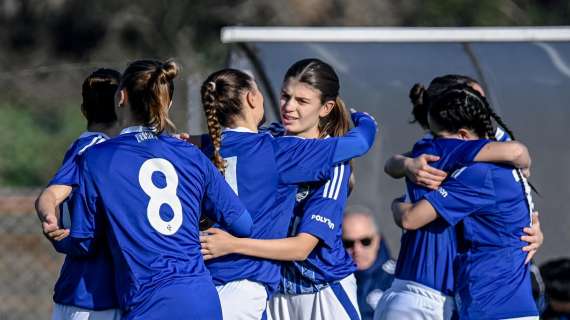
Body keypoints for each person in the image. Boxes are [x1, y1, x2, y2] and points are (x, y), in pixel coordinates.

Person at [43, 59, 254, 320]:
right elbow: (243, 224)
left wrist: (59, 239)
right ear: (169, 103)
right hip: (203, 300)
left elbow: (86, 242)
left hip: (150, 304)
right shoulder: (191, 153)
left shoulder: (97, 158)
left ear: (121, 97)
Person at [199, 59, 377, 319]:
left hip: (320, 287)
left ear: (326, 108)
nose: (289, 107)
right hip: (276, 288)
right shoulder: (268, 139)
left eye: (302, 101)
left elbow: (303, 247)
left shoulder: (333, 163)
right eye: (285, 96)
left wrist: (234, 244)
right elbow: (227, 141)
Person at [389, 84, 539, 319]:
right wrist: (403, 164)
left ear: (463, 136)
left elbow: (410, 218)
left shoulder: (479, 173)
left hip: (494, 305)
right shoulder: (497, 161)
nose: (432, 143)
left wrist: (397, 205)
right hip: (505, 303)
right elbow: (518, 152)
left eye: (438, 138)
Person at [35, 68, 121, 320]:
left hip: (76, 292)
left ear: (83, 110)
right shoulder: (101, 149)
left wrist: (49, 217)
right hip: (100, 297)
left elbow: (50, 195)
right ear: (124, 104)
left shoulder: (83, 147)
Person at [342, 205, 395, 320]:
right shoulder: (329, 281)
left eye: (365, 241)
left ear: (378, 240)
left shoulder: (399, 280)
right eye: (348, 243)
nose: (357, 250)